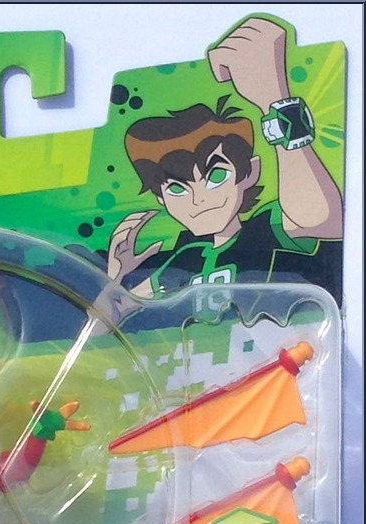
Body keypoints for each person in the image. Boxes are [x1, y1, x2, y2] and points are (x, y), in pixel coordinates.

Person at [99, 17, 343, 325]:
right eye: (177, 188)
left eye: (216, 176)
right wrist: (115, 278)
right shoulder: (184, 258)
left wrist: (274, 98)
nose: (198, 199)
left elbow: (319, 218)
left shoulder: (263, 231)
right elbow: (104, 323)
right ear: (161, 199)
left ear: (249, 172)